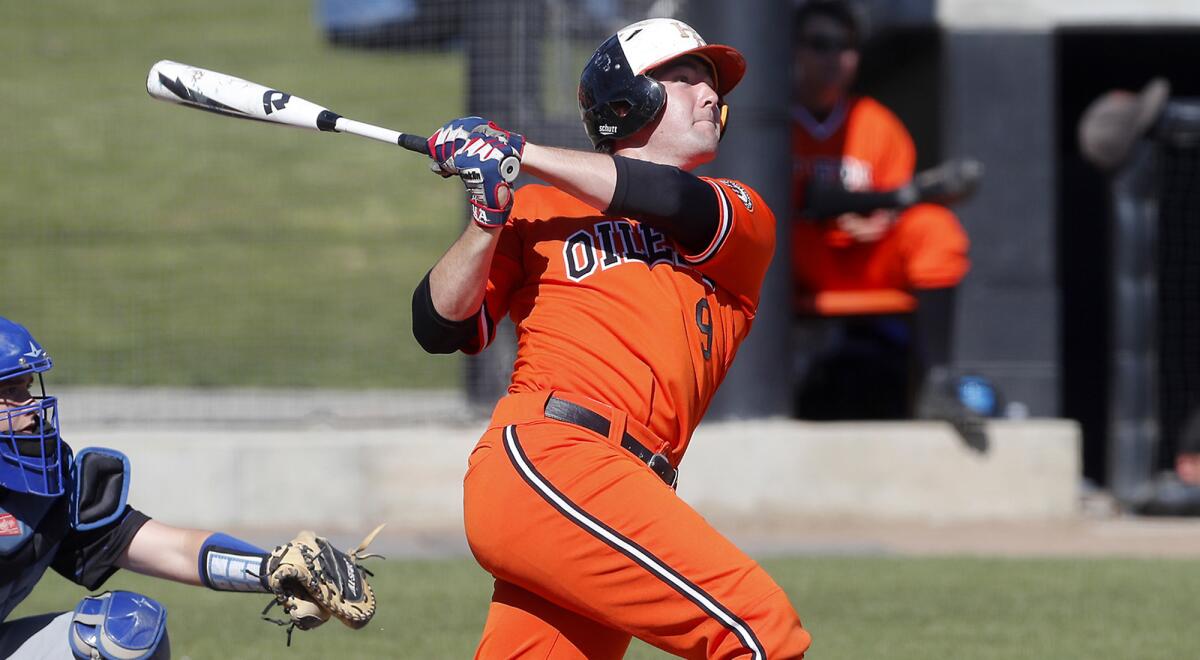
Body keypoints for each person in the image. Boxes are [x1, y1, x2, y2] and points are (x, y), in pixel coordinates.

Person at [411, 17, 811, 659]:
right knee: (759, 631)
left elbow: (670, 200)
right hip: (551, 456)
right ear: (629, 100)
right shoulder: (537, 209)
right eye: (683, 80)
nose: (710, 95)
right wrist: (487, 220)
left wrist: (522, 150)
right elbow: (437, 324)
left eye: (710, 85)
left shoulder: (742, 211)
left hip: (632, 483)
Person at [0, 316, 369, 658]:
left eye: (28, 387)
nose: (31, 406)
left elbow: (170, 549)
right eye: (12, 392)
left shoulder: (50, 485)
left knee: (125, 628)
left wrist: (272, 569)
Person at [789, 0, 978, 443]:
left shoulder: (876, 123)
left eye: (847, 46)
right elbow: (803, 200)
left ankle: (936, 382)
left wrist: (887, 217)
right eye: (820, 44)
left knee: (935, 227)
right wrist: (895, 197)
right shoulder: (774, 123)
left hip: (865, 256)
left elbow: (896, 210)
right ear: (793, 51)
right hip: (799, 263)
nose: (835, 58)